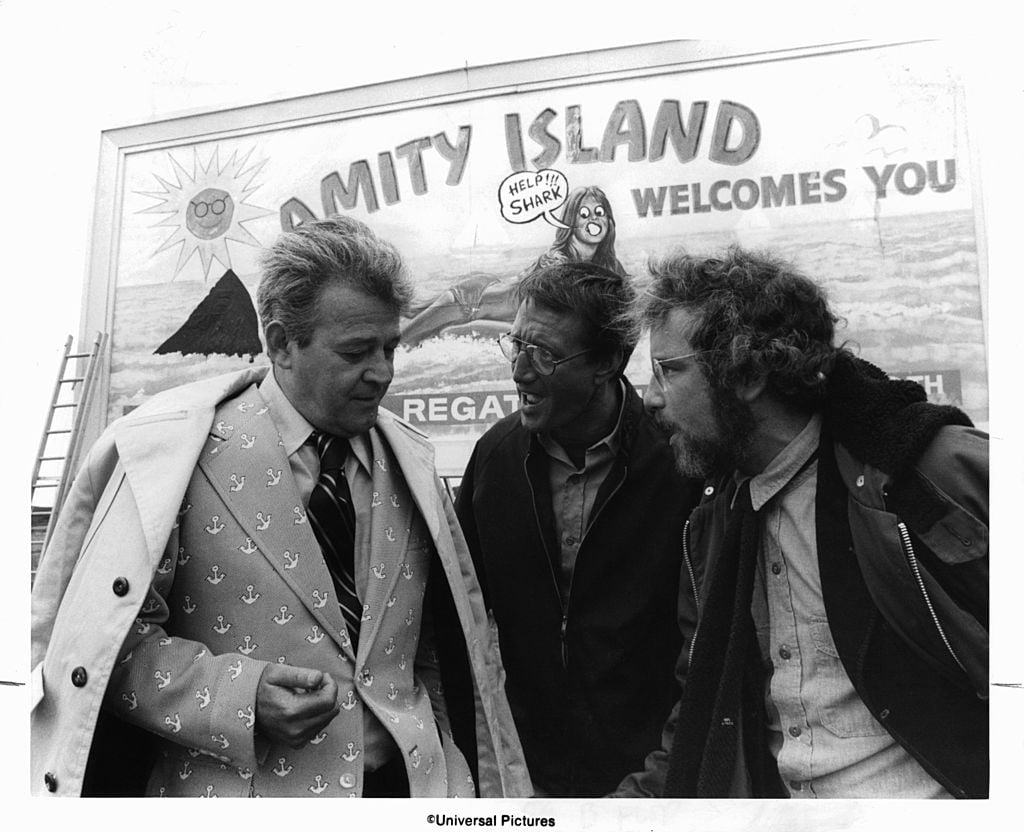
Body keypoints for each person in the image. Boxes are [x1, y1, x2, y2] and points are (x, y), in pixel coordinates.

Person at [31, 216, 531, 798]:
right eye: (356, 352)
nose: (383, 373)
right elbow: (98, 647)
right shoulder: (170, 457)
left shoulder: (414, 463)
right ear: (279, 343)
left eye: (390, 347)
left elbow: (438, 654)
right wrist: (236, 696)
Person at [613, 246, 988, 799]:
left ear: (746, 373)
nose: (650, 398)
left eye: (669, 371)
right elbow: (701, 715)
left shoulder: (927, 474)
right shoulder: (712, 526)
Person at [455, 261, 703, 796]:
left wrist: (653, 789)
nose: (520, 371)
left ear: (609, 361)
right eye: (516, 345)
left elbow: (708, 657)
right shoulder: (494, 460)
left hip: (657, 787)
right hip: (527, 785)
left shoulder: (682, 465)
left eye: (544, 353)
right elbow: (454, 632)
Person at [400, 186, 624, 348]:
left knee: (434, 328)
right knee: (403, 341)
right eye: (584, 214)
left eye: (599, 212)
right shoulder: (557, 263)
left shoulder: (609, 266)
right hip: (469, 301)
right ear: (571, 222)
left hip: (494, 298)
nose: (593, 219)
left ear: (608, 220)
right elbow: (537, 322)